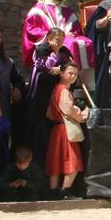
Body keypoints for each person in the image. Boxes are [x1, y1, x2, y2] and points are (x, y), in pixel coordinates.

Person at [21, 0, 96, 90]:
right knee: (69, 43)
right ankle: (67, 76)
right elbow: (31, 29)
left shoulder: (67, 11)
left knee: (86, 42)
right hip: (48, 47)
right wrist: (50, 36)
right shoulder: (39, 8)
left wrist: (74, 33)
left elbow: (76, 29)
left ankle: (82, 82)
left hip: (65, 40)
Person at [25, 27, 72, 164]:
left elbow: (72, 65)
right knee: (40, 129)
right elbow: (46, 67)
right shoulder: (41, 50)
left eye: (62, 40)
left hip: (56, 96)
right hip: (41, 96)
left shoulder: (64, 51)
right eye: (57, 39)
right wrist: (60, 63)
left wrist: (62, 68)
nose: (59, 42)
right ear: (49, 39)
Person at [45, 61, 88, 199]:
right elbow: (68, 110)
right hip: (66, 130)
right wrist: (82, 115)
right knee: (73, 162)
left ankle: (52, 193)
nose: (73, 76)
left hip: (57, 130)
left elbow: (49, 114)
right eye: (70, 73)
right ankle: (65, 192)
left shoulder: (56, 89)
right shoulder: (63, 90)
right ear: (62, 73)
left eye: (75, 74)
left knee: (55, 163)